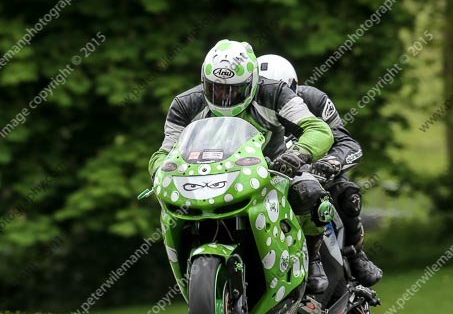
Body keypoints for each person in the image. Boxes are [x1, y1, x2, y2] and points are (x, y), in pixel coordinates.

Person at [148, 39, 334, 293]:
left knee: (310, 193)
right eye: (214, 89)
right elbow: (164, 151)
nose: (223, 97)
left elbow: (318, 130)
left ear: (252, 83)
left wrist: (299, 154)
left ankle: (313, 258)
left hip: (275, 168)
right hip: (207, 175)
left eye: (233, 90)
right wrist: (161, 171)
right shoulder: (185, 104)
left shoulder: (274, 93)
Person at [257, 54, 382, 286]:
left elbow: (348, 143)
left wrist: (331, 163)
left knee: (347, 194)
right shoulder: (244, 110)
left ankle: (355, 254)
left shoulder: (313, 100)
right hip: (263, 180)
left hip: (316, 173)